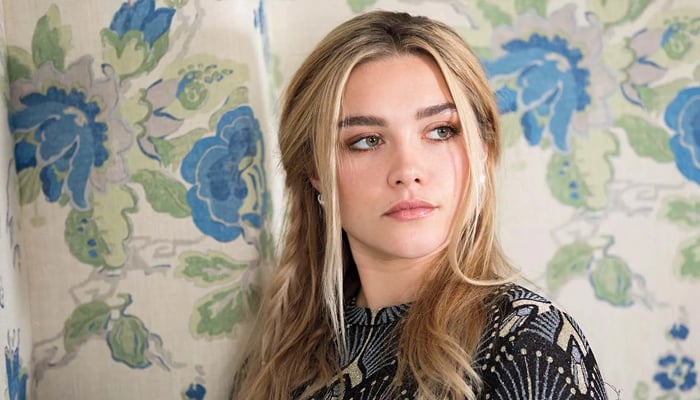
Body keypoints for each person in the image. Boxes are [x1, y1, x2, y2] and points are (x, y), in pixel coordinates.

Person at [232, 10, 608, 400]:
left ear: (483, 150)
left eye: (441, 131)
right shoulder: (276, 360)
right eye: (366, 140)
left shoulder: (526, 342)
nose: (407, 171)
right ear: (315, 172)